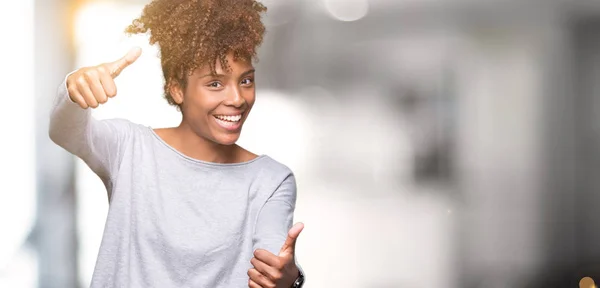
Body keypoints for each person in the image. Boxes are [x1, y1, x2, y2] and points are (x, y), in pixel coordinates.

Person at [48, 0, 305, 287]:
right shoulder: (130, 149)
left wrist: (287, 278)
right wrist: (74, 90)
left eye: (245, 81)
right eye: (215, 84)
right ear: (177, 89)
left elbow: (271, 260)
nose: (237, 99)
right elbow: (64, 132)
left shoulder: (271, 180)